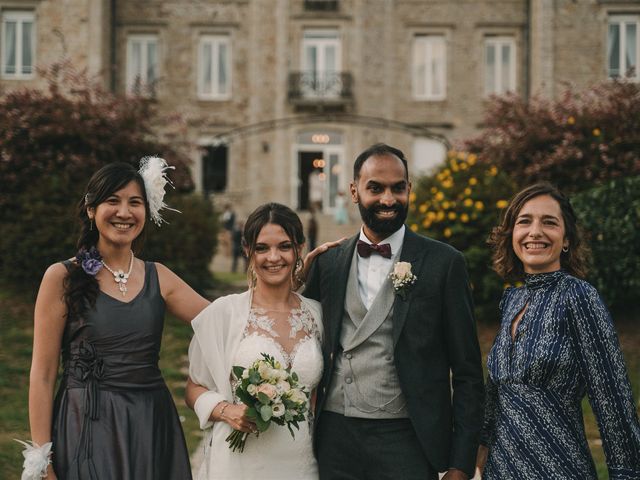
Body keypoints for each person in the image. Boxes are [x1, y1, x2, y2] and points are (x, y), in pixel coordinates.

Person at [304, 143, 485, 480]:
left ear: (409, 189)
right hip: (335, 437)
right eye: (375, 188)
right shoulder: (328, 263)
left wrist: (461, 463)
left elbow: (468, 373)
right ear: (354, 192)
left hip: (409, 439)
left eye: (397, 188)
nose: (388, 199)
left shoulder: (444, 264)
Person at [24, 159, 209, 480]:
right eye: (113, 201)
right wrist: (43, 460)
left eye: (135, 203)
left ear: (146, 212)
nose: (124, 212)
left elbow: (224, 320)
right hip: (86, 426)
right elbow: (43, 374)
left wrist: (290, 281)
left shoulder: (159, 276)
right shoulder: (63, 276)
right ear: (91, 210)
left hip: (151, 424)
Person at [476, 183, 640, 479]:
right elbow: (494, 398)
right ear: (512, 234)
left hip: (559, 469)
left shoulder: (579, 297)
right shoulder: (511, 301)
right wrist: (476, 461)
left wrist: (627, 474)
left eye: (549, 222)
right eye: (524, 221)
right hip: (499, 470)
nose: (535, 231)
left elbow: (613, 402)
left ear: (566, 240)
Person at [185, 203, 324, 480]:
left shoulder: (317, 315)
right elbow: (193, 389)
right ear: (248, 250)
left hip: (301, 460)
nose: (274, 257)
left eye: (284, 246)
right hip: (240, 462)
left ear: (300, 248)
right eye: (262, 248)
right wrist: (227, 411)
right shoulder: (224, 313)